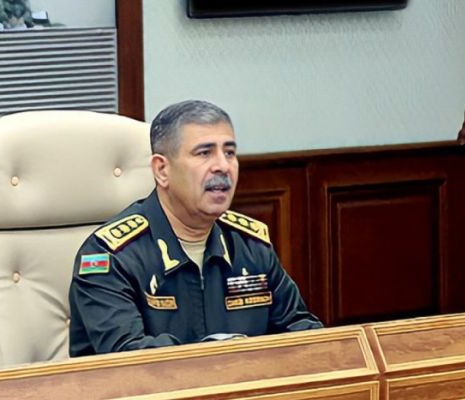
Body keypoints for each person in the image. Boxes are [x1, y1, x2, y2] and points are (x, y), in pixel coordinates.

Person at [69, 100, 322, 356]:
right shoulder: (109, 255)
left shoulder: (250, 246)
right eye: (204, 153)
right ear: (162, 170)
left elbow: (302, 333)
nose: (222, 166)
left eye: (229, 153)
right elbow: (130, 360)